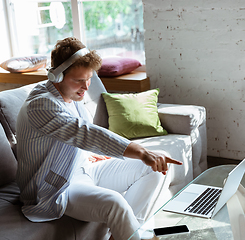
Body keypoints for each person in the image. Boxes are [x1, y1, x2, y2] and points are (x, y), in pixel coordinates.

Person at [15, 37, 182, 240]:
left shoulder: (72, 94)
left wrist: (92, 154)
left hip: (84, 167)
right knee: (115, 203)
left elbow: (77, 139)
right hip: (57, 186)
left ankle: (129, 232)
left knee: (159, 165)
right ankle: (132, 234)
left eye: (89, 78)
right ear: (56, 76)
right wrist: (141, 151)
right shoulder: (41, 105)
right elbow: (85, 133)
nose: (86, 87)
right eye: (78, 80)